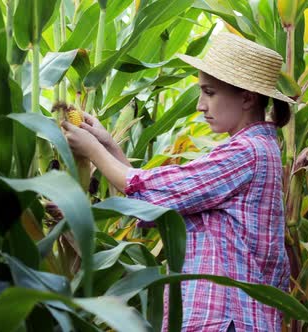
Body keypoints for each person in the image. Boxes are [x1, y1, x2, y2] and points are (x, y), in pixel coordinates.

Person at [62, 32, 295, 332]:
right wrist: (107, 144)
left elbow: (155, 191)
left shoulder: (246, 153)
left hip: (226, 318)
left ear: (247, 97)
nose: (200, 105)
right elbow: (164, 195)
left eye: (209, 92)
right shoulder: (259, 149)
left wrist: (93, 151)